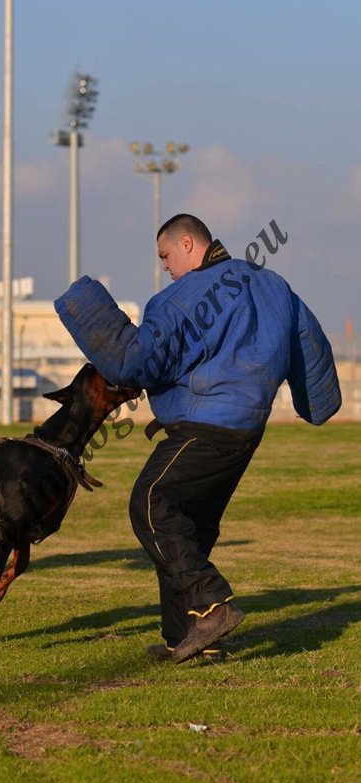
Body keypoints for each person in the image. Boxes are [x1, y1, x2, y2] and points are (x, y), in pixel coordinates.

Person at [54, 214, 341, 664]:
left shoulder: (183, 298)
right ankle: (186, 639)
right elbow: (310, 344)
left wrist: (83, 304)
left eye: (166, 257)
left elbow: (135, 363)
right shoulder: (274, 285)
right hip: (248, 430)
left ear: (188, 243)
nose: (165, 268)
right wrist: (317, 403)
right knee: (189, 528)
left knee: (151, 503)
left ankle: (213, 604)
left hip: (205, 426)